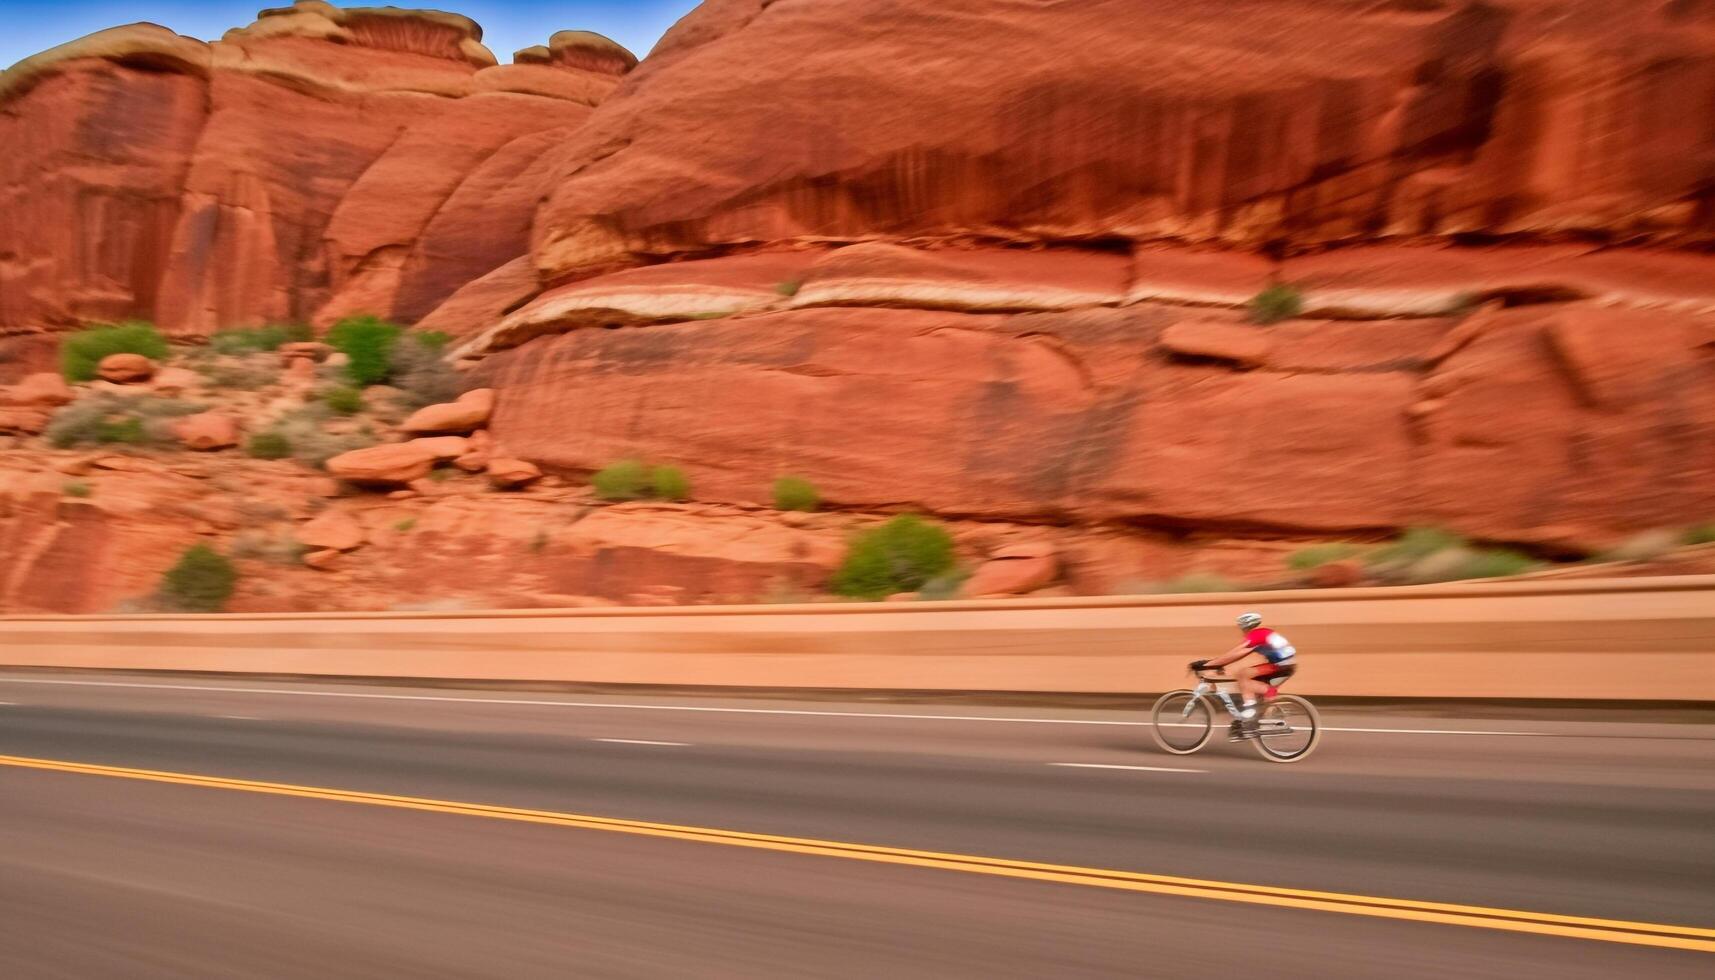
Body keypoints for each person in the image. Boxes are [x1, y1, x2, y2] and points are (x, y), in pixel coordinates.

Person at [1190, 612, 1298, 741]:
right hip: (1286, 665)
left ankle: (1251, 708)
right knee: (1252, 683)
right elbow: (1237, 654)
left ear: (1244, 626)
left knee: (1243, 674)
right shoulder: (1264, 632)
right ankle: (1249, 725)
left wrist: (1208, 664)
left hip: (1281, 665)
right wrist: (1216, 663)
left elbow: (1237, 653)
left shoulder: (1256, 634)